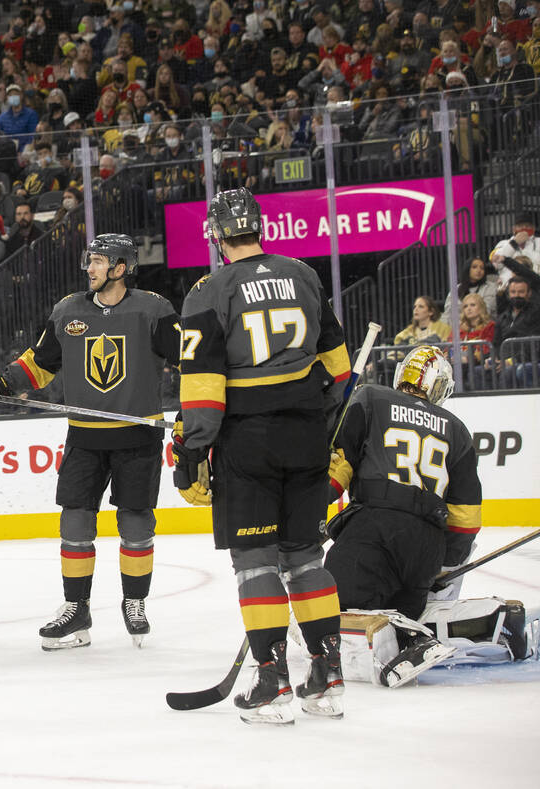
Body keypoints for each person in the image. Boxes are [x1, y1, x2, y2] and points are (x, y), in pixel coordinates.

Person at [173, 188, 351, 724]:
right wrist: (309, 410)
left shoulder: (208, 291)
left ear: (216, 235)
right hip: (305, 435)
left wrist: (192, 449)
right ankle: (326, 676)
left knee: (254, 564)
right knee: (304, 559)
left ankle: (271, 679)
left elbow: (203, 389)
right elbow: (339, 370)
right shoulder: (303, 274)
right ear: (259, 228)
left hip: (247, 441)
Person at [0, 234, 181, 651]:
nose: (89, 268)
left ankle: (135, 603)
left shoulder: (153, 310)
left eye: (98, 262)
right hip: (85, 436)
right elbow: (38, 366)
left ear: (120, 268)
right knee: (75, 522)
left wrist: (196, 410)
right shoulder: (68, 310)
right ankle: (76, 609)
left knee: (136, 524)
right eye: (89, 260)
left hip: (138, 435)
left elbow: (190, 359)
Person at [324, 346, 483, 687]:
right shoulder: (457, 430)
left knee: (325, 610)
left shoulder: (371, 398)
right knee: (401, 607)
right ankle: (408, 628)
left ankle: (406, 641)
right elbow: (466, 517)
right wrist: (443, 565)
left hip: (374, 532)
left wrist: (306, 510)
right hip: (425, 549)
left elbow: (338, 470)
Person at [443, 258, 498, 323]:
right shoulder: (456, 289)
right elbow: (448, 312)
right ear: (467, 269)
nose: (479, 270)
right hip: (458, 328)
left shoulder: (491, 287)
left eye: (482, 268)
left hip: (484, 327)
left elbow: (486, 310)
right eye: (474, 267)